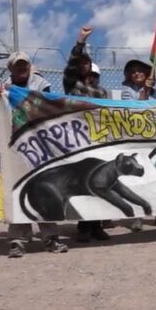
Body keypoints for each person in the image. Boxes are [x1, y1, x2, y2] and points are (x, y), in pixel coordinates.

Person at [0, 51, 69, 256]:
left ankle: (50, 236)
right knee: (17, 189)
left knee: (46, 189)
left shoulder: (40, 84)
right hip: (15, 147)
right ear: (10, 69)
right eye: (18, 65)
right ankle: (18, 239)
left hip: (41, 145)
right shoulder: (3, 88)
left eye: (24, 64)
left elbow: (50, 106)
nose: (22, 68)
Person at [63, 26, 112, 242]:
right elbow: (71, 65)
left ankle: (97, 225)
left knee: (99, 182)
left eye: (87, 64)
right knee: (83, 183)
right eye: (81, 64)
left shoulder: (101, 93)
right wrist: (80, 41)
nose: (84, 67)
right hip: (79, 140)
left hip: (99, 139)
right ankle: (83, 226)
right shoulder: (72, 85)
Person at [119, 57, 156, 230]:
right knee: (139, 179)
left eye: (140, 70)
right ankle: (138, 216)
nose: (137, 73)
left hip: (155, 138)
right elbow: (134, 110)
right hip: (137, 141)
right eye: (133, 71)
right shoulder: (126, 90)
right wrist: (144, 91)